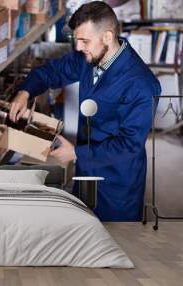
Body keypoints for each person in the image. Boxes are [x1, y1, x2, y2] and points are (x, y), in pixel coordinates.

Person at [9, 1, 161, 221]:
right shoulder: (89, 58)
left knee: (116, 241)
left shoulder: (142, 85)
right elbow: (52, 72)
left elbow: (129, 145)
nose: (79, 47)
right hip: (85, 172)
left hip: (116, 183)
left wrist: (77, 153)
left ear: (108, 37)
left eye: (84, 41)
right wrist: (25, 91)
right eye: (77, 40)